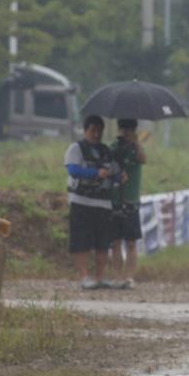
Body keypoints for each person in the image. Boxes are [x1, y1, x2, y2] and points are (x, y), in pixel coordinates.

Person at [64, 115, 117, 289]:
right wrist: (95, 174)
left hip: (103, 203)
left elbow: (113, 170)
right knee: (81, 241)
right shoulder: (76, 148)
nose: (96, 134)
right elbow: (73, 169)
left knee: (103, 242)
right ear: (85, 130)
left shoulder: (106, 150)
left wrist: (118, 175)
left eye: (99, 131)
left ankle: (100, 277)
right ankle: (84, 277)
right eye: (93, 130)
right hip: (81, 201)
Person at [109, 119, 146, 289]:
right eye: (124, 129)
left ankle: (129, 277)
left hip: (131, 200)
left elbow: (143, 158)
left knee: (131, 242)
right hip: (116, 199)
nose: (126, 133)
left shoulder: (136, 149)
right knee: (115, 241)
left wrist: (136, 142)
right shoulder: (114, 148)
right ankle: (117, 276)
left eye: (129, 129)